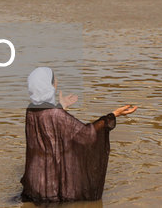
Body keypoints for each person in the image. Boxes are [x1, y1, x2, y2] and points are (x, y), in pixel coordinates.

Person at [20, 67, 137, 203]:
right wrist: (112, 115)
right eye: (54, 79)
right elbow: (87, 135)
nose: (56, 81)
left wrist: (60, 106)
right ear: (50, 85)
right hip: (51, 188)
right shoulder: (57, 115)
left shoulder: (31, 110)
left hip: (35, 184)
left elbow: (49, 123)